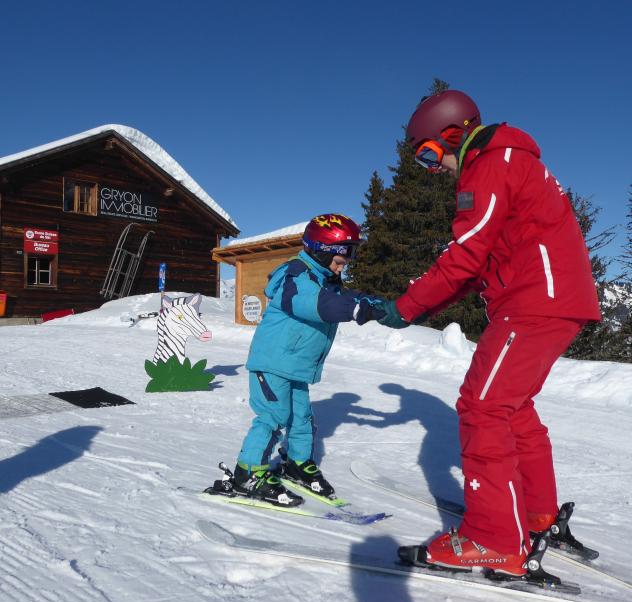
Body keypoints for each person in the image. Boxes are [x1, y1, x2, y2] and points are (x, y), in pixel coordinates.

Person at [379, 90, 601, 576]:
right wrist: (415, 306)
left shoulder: (491, 164)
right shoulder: (510, 162)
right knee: (512, 407)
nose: (430, 168)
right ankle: (539, 518)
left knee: (482, 406)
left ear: (453, 134)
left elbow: (464, 255)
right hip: (547, 298)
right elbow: (478, 268)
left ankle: (494, 538)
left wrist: (403, 306)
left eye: (428, 153)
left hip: (534, 301)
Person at [209, 214, 385, 507]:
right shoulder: (295, 275)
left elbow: (345, 296)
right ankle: (248, 474)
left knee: (301, 418)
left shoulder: (326, 279)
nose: (346, 263)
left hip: (295, 366)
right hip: (272, 363)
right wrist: (356, 309)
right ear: (321, 249)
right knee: (272, 417)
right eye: (342, 257)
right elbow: (318, 304)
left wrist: (382, 306)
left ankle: (296, 464)